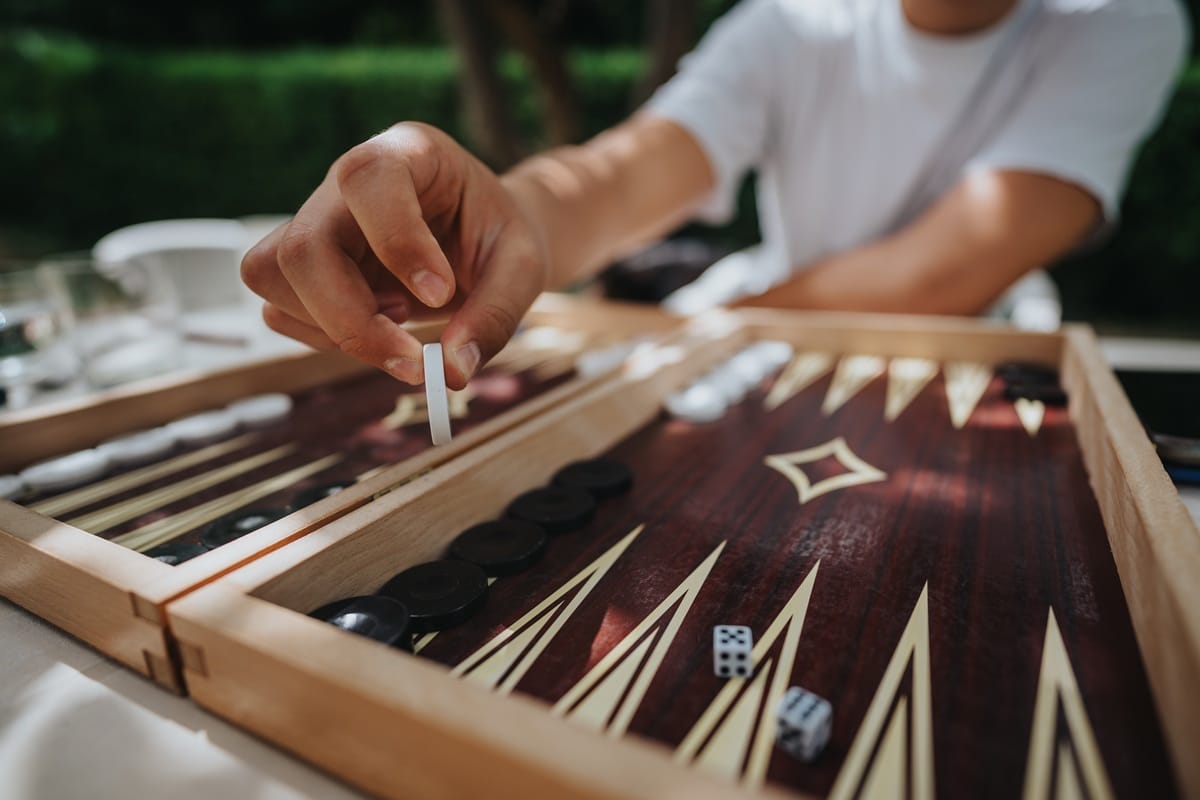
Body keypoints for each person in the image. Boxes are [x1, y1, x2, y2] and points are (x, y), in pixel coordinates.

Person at [241, 0, 1187, 390]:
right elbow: (623, 176)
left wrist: (710, 327)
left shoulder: (1123, 19)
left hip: (967, 359)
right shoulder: (787, 20)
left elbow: (946, 273)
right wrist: (505, 220)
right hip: (757, 323)